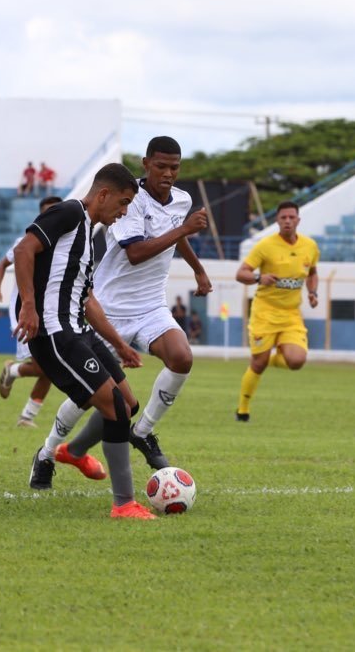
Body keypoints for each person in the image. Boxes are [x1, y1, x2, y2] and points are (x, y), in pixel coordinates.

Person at [49, 136, 211, 475]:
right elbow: (135, 254)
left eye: (175, 167)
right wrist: (184, 227)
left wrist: (198, 270)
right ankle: (48, 452)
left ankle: (144, 430)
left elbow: (176, 235)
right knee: (90, 393)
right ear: (146, 163)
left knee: (182, 358)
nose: (168, 173)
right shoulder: (130, 200)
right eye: (161, 166)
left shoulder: (182, 200)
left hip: (151, 306)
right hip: (107, 310)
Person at [14, 162, 155, 519]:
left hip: (80, 331)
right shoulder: (70, 211)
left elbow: (86, 298)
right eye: (123, 203)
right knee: (116, 410)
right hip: (54, 332)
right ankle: (124, 504)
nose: (124, 212)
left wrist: (120, 345)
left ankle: (73, 452)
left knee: (128, 402)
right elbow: (23, 250)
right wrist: (28, 306)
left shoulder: (91, 236)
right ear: (103, 194)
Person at [234, 201, 319, 422]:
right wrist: (258, 278)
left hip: (291, 314)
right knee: (258, 365)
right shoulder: (265, 246)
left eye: (292, 217)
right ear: (277, 221)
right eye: (283, 218)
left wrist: (313, 292)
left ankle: (268, 357)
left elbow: (312, 272)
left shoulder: (309, 246)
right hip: (265, 312)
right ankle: (243, 410)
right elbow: (241, 273)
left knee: (297, 361)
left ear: (298, 220)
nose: (288, 221)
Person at [0, 195, 63, 428]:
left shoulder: (66, 243)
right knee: (44, 367)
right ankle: (12, 370)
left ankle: (27, 417)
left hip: (51, 312)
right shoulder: (26, 241)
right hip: (24, 311)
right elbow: (3, 263)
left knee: (53, 368)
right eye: (48, 213)